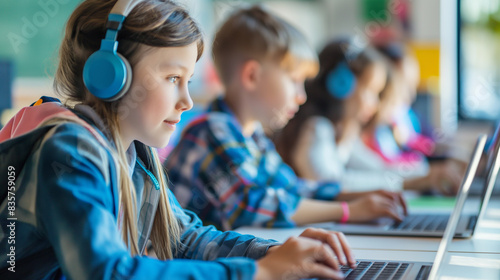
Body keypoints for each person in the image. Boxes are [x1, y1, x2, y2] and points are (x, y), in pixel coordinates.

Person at [0, 1, 357, 279]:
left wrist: (274, 253)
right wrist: (258, 273)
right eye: (173, 78)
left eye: (188, 81)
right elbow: (104, 272)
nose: (187, 101)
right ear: (109, 77)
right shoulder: (67, 151)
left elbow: (185, 237)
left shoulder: (135, 155)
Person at [164, 6, 407, 232]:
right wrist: (348, 211)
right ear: (252, 76)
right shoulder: (211, 130)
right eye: (294, 80)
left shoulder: (253, 136)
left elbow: (291, 188)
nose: (301, 96)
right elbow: (250, 206)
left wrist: (351, 196)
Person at [274, 39, 461, 195]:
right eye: (370, 91)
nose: (375, 103)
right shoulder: (316, 128)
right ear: (341, 85)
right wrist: (412, 182)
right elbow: (331, 183)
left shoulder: (344, 134)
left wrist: (430, 172)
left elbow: (379, 168)